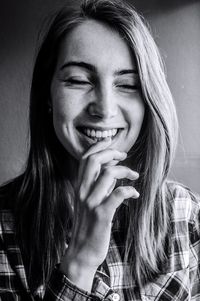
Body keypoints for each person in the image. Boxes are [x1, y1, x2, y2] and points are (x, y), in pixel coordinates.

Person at [0, 0, 199, 300]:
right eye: (79, 80)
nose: (104, 109)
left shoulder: (187, 217)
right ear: (47, 95)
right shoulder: (4, 229)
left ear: (148, 100)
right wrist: (78, 264)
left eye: (128, 85)